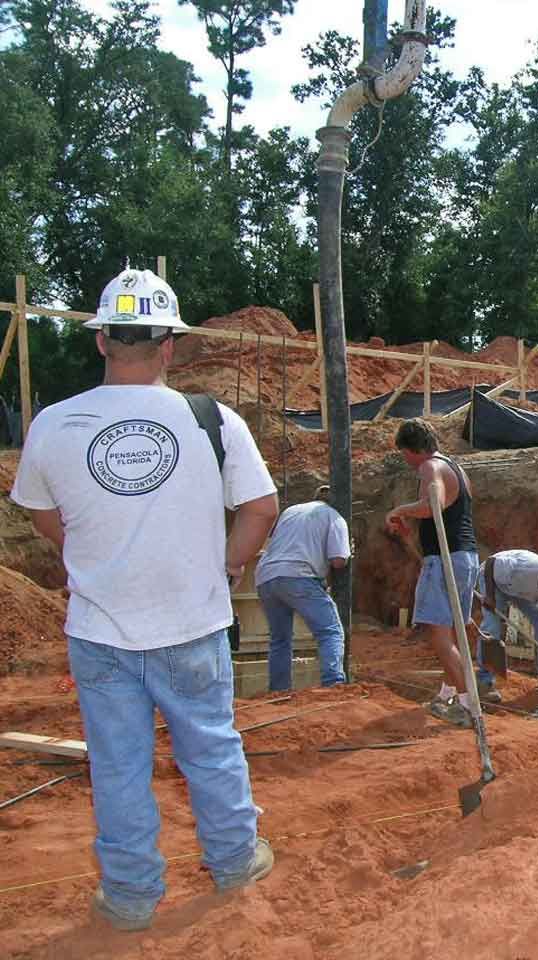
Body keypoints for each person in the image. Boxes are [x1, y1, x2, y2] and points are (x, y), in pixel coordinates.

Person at [10, 268, 279, 931]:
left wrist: (91, 551)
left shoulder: (53, 423)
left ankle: (131, 898)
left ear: (102, 341)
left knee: (119, 765)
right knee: (211, 748)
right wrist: (228, 562)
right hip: (192, 623)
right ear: (169, 344)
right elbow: (261, 506)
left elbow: (45, 516)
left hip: (100, 631)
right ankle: (236, 861)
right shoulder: (212, 418)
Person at [385, 419, 480, 728]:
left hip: (447, 560)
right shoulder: (457, 468)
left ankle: (468, 705)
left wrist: (399, 509)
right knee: (451, 634)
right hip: (463, 558)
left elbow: (433, 505)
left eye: (404, 454)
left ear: (410, 450)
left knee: (438, 635)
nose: (406, 461)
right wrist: (408, 532)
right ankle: (447, 694)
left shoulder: (429, 468)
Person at [254, 484, 351, 690]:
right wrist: (349, 550)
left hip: (266, 576)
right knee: (330, 631)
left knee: (280, 639)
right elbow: (338, 560)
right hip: (298, 575)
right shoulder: (335, 517)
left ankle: (278, 691)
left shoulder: (291, 511)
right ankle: (334, 684)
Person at [478, 549, 538, 699]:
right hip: (494, 580)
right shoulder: (526, 568)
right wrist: (490, 596)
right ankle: (484, 682)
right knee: (492, 627)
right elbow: (492, 561)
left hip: (518, 591)